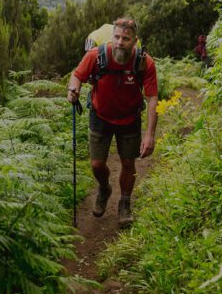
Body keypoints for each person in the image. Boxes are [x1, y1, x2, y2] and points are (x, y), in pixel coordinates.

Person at [67, 17, 158, 228]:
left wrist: (149, 135)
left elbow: (152, 97)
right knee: (97, 164)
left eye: (125, 39)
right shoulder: (96, 55)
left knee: (128, 163)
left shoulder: (144, 62)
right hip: (100, 115)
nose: (120, 42)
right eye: (116, 37)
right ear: (111, 37)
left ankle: (124, 203)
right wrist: (73, 90)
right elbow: (77, 76)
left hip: (130, 118)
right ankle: (104, 188)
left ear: (134, 41)